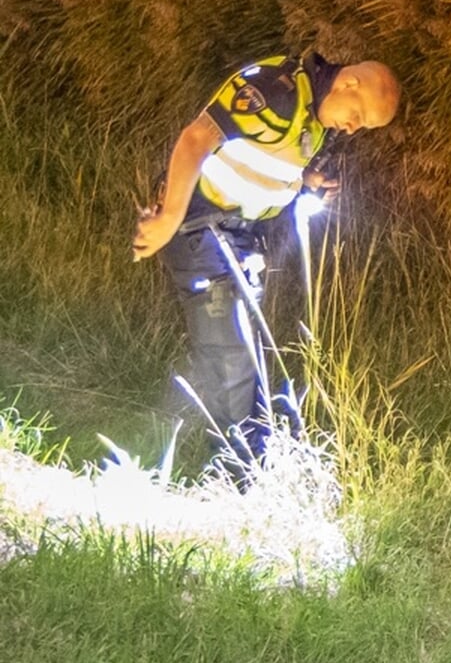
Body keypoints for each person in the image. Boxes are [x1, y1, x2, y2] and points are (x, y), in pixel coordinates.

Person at [131, 52, 399, 472]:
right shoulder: (276, 90)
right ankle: (234, 473)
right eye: (358, 115)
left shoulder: (313, 117)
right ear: (349, 85)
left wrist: (305, 183)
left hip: (238, 235)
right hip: (200, 226)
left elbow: (267, 155)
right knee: (230, 353)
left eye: (362, 126)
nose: (353, 127)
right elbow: (196, 139)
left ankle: (241, 455)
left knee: (241, 348)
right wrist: (168, 219)